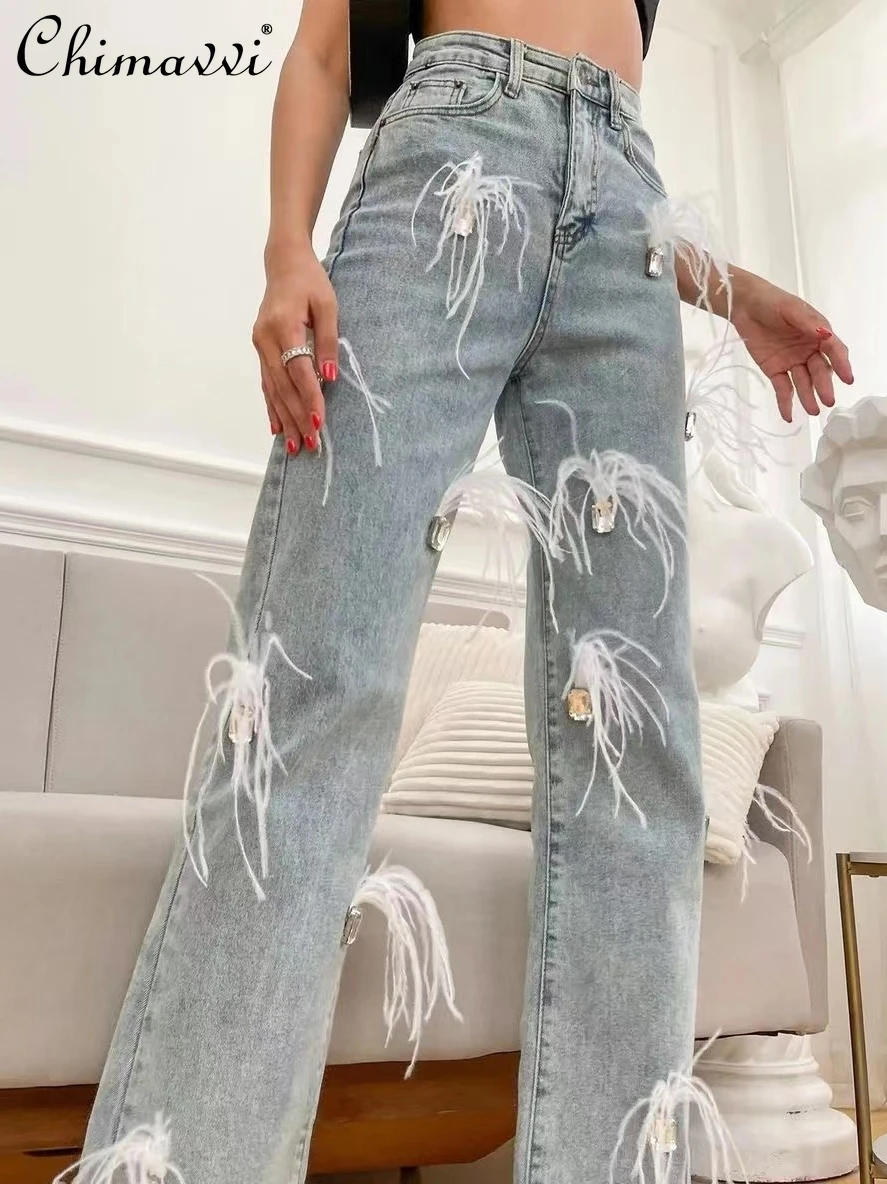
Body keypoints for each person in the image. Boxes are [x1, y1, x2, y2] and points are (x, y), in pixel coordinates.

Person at [65, 1, 854, 1182]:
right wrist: (287, 253)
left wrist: (729, 288)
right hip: (446, 153)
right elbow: (324, 48)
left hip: (627, 203)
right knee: (314, 685)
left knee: (639, 747)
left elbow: (595, 165)